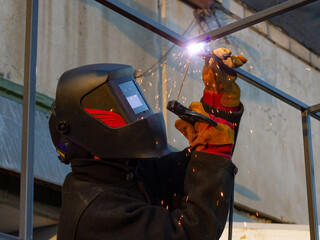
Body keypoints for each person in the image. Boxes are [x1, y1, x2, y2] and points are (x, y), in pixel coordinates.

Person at [49, 48, 246, 240]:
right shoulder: (98, 213)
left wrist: (219, 104)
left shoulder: (126, 172)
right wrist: (214, 150)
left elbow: (199, 169)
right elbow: (190, 233)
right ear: (94, 128)